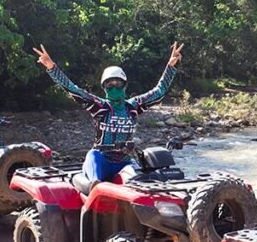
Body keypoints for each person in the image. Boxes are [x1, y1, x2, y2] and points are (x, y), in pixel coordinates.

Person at [33, 41, 184, 188]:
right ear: (104, 88)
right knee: (93, 155)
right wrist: (51, 67)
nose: (114, 87)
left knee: (138, 184)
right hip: (100, 160)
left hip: (124, 162)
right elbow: (73, 89)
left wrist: (170, 66)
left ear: (124, 85)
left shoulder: (133, 106)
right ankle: (96, 189)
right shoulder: (100, 106)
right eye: (109, 85)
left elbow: (158, 92)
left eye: (117, 83)